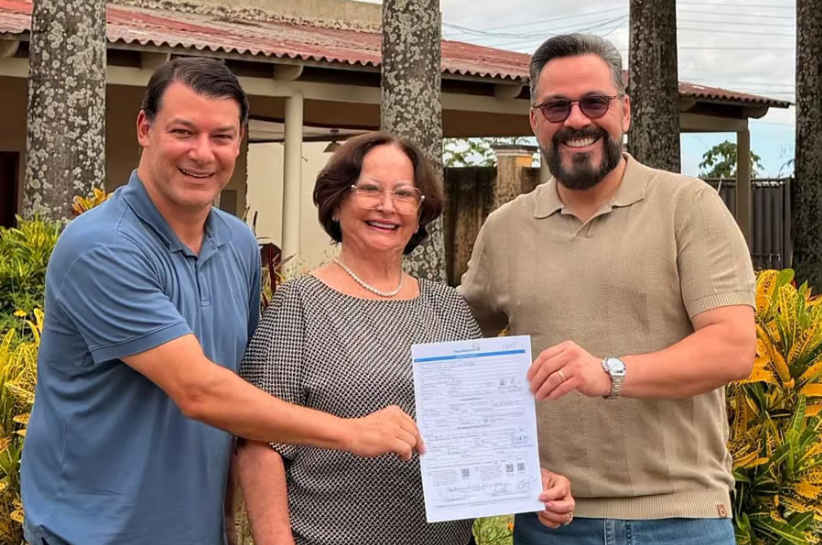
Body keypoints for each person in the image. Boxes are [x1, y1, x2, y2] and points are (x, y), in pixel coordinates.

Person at [21, 58, 423, 545]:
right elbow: (200, 391)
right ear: (145, 128)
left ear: (240, 141)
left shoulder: (237, 244)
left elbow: (239, 391)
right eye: (183, 132)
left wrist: (228, 521)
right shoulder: (103, 247)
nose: (202, 153)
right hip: (92, 533)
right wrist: (351, 432)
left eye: (221, 136)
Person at [458, 33, 756, 545]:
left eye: (594, 102)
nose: (576, 120)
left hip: (681, 520)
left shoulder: (688, 206)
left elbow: (732, 348)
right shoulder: (505, 229)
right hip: (551, 522)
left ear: (625, 111)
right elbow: (460, 353)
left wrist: (609, 372)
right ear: (534, 121)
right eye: (557, 106)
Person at [237, 131, 576, 545]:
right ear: (336, 203)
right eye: (369, 189)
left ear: (419, 212)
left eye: (403, 193)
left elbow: (485, 435)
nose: (387, 205)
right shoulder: (301, 304)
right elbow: (258, 441)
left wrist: (535, 482)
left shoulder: (449, 308)